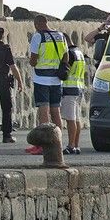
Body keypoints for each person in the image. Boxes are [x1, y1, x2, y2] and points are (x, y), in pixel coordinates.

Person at [27, 15, 68, 154]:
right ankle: (58, 142)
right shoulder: (60, 35)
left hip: (41, 78)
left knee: (43, 110)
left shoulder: (38, 36)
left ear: (37, 24)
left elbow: (33, 60)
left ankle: (43, 145)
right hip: (56, 79)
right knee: (56, 111)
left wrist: (32, 62)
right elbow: (66, 57)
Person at [61, 43, 87, 154]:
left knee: (70, 119)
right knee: (76, 119)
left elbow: (65, 72)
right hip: (78, 87)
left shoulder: (69, 53)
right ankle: (76, 145)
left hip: (69, 88)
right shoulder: (79, 52)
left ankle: (71, 145)